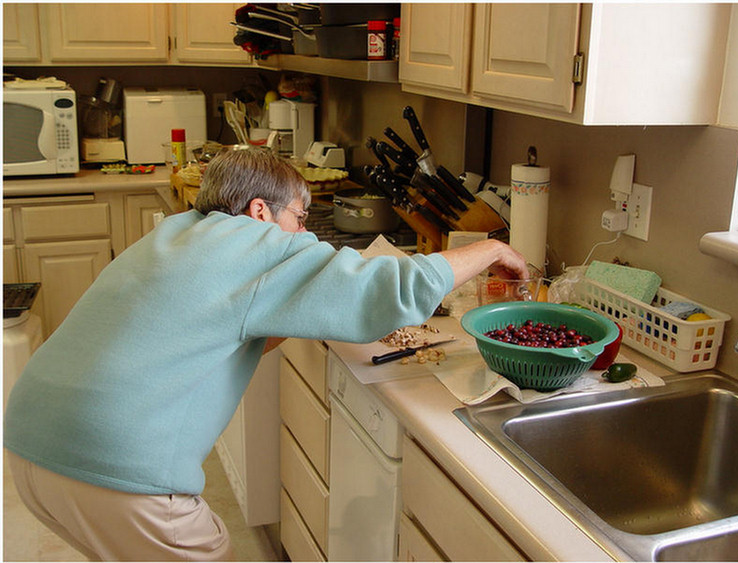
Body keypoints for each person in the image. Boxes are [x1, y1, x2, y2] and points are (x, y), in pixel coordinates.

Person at [4, 148, 528, 561]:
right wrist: (493, 249)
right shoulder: (254, 245)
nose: (302, 233)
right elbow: (394, 289)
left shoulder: (178, 235)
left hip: (32, 448)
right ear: (259, 211)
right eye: (300, 218)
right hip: (114, 469)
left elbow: (223, 327)